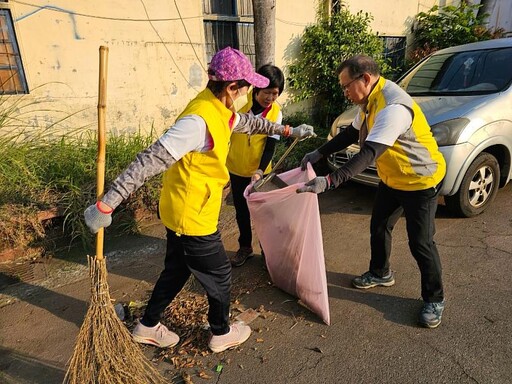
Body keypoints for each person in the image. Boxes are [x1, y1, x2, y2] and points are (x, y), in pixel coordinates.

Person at [84, 46, 315, 353]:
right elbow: (149, 160)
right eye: (247, 88)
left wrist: (287, 129)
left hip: (186, 210)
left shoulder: (221, 110)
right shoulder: (197, 122)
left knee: (177, 269)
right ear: (232, 88)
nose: (250, 94)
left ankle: (147, 325)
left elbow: (250, 124)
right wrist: (107, 203)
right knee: (220, 273)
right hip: (191, 216)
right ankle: (221, 332)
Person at [297, 54, 446, 329]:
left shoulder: (394, 107)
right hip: (393, 178)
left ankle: (434, 299)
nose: (345, 92)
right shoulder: (369, 101)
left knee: (421, 243)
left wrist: (329, 182)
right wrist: (319, 152)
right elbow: (351, 134)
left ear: (365, 79)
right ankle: (381, 272)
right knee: (379, 226)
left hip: (419, 181)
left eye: (346, 86)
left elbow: (368, 153)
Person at [226, 64, 285, 267]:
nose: (270, 98)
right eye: (267, 92)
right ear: (256, 88)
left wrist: (260, 170)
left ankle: (267, 251)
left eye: (275, 93)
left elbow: (270, 145)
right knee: (241, 211)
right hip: (235, 167)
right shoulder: (239, 104)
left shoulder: (275, 113)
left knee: (263, 215)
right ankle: (245, 247)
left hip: (260, 172)